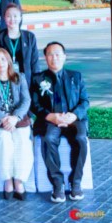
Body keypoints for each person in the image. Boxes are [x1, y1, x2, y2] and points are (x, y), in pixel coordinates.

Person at [30, 41, 90, 203]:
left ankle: (75, 182)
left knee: (80, 139)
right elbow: (34, 105)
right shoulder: (38, 79)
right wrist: (50, 116)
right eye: (50, 54)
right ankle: (57, 183)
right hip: (51, 120)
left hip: (73, 119)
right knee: (48, 139)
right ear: (45, 57)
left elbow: (85, 101)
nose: (54, 58)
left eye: (57, 54)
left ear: (64, 56)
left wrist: (73, 115)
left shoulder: (75, 76)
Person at [0, 47, 34, 201]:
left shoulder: (20, 77)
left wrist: (15, 117)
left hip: (18, 121)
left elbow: (26, 100)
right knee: (4, 140)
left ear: (8, 61)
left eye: (3, 59)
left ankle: (19, 180)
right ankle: (7, 180)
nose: (0, 63)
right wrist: (5, 117)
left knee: (22, 141)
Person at [0, 4, 41, 82]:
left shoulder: (29, 37)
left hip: (26, 79)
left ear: (20, 18)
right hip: (6, 79)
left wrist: (37, 81)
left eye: (15, 16)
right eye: (8, 16)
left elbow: (35, 62)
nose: (12, 19)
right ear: (4, 18)